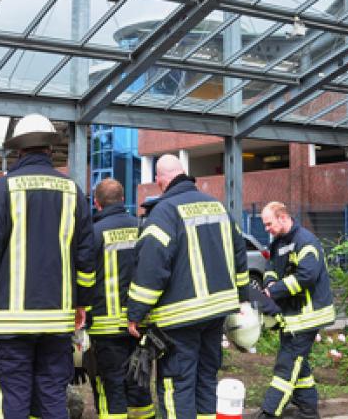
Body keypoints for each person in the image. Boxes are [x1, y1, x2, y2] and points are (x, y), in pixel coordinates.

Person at [0, 113, 95, 419]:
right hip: (56, 322)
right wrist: (81, 303)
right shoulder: (72, 190)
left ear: (18, 150)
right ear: (50, 148)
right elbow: (86, 258)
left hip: (9, 324)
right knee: (52, 399)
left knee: (15, 401)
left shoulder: (5, 188)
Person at [126, 154, 249, 418]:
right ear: (185, 173)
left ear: (160, 180)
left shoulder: (164, 212)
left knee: (176, 385)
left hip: (178, 319)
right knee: (206, 380)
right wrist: (242, 297)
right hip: (216, 314)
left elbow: (151, 267)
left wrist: (135, 313)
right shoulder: (218, 207)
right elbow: (240, 254)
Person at [256, 202, 335, 419]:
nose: (266, 229)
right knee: (299, 367)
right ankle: (309, 412)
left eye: (268, 223)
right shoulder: (277, 244)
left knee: (286, 367)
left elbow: (306, 277)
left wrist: (276, 291)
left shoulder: (306, 241)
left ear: (283, 217)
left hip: (307, 317)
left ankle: (269, 413)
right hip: (292, 318)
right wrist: (270, 284)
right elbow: (271, 269)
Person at [88, 178, 155, 419]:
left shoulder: (93, 233)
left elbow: (84, 277)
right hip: (140, 323)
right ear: (123, 200)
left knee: (111, 386)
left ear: (97, 203)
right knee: (140, 383)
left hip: (105, 327)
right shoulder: (142, 228)